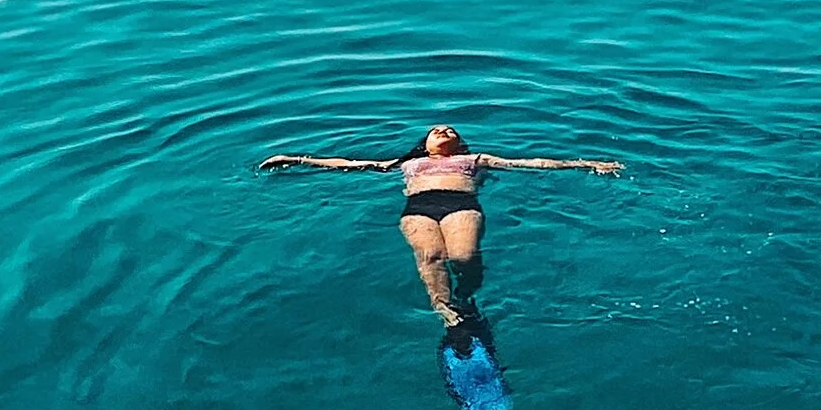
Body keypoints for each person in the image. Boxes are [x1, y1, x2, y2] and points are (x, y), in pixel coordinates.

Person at [259, 127, 622, 329]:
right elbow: (351, 164)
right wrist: (297, 159)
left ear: (459, 144)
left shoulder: (475, 159)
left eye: (450, 130)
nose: (443, 130)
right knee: (431, 255)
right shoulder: (407, 163)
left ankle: (466, 296)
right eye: (436, 130)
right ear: (427, 145)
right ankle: (445, 308)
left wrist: (587, 163)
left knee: (463, 256)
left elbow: (532, 162)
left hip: (460, 204)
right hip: (418, 208)